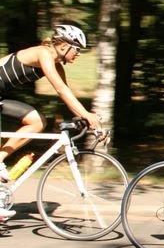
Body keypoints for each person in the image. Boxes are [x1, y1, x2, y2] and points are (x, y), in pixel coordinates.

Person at [0, 25, 101, 187]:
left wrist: (88, 118)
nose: (79, 53)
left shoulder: (57, 66)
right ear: (63, 46)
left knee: (37, 122)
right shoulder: (43, 53)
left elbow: (66, 93)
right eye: (77, 48)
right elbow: (60, 89)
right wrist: (87, 115)